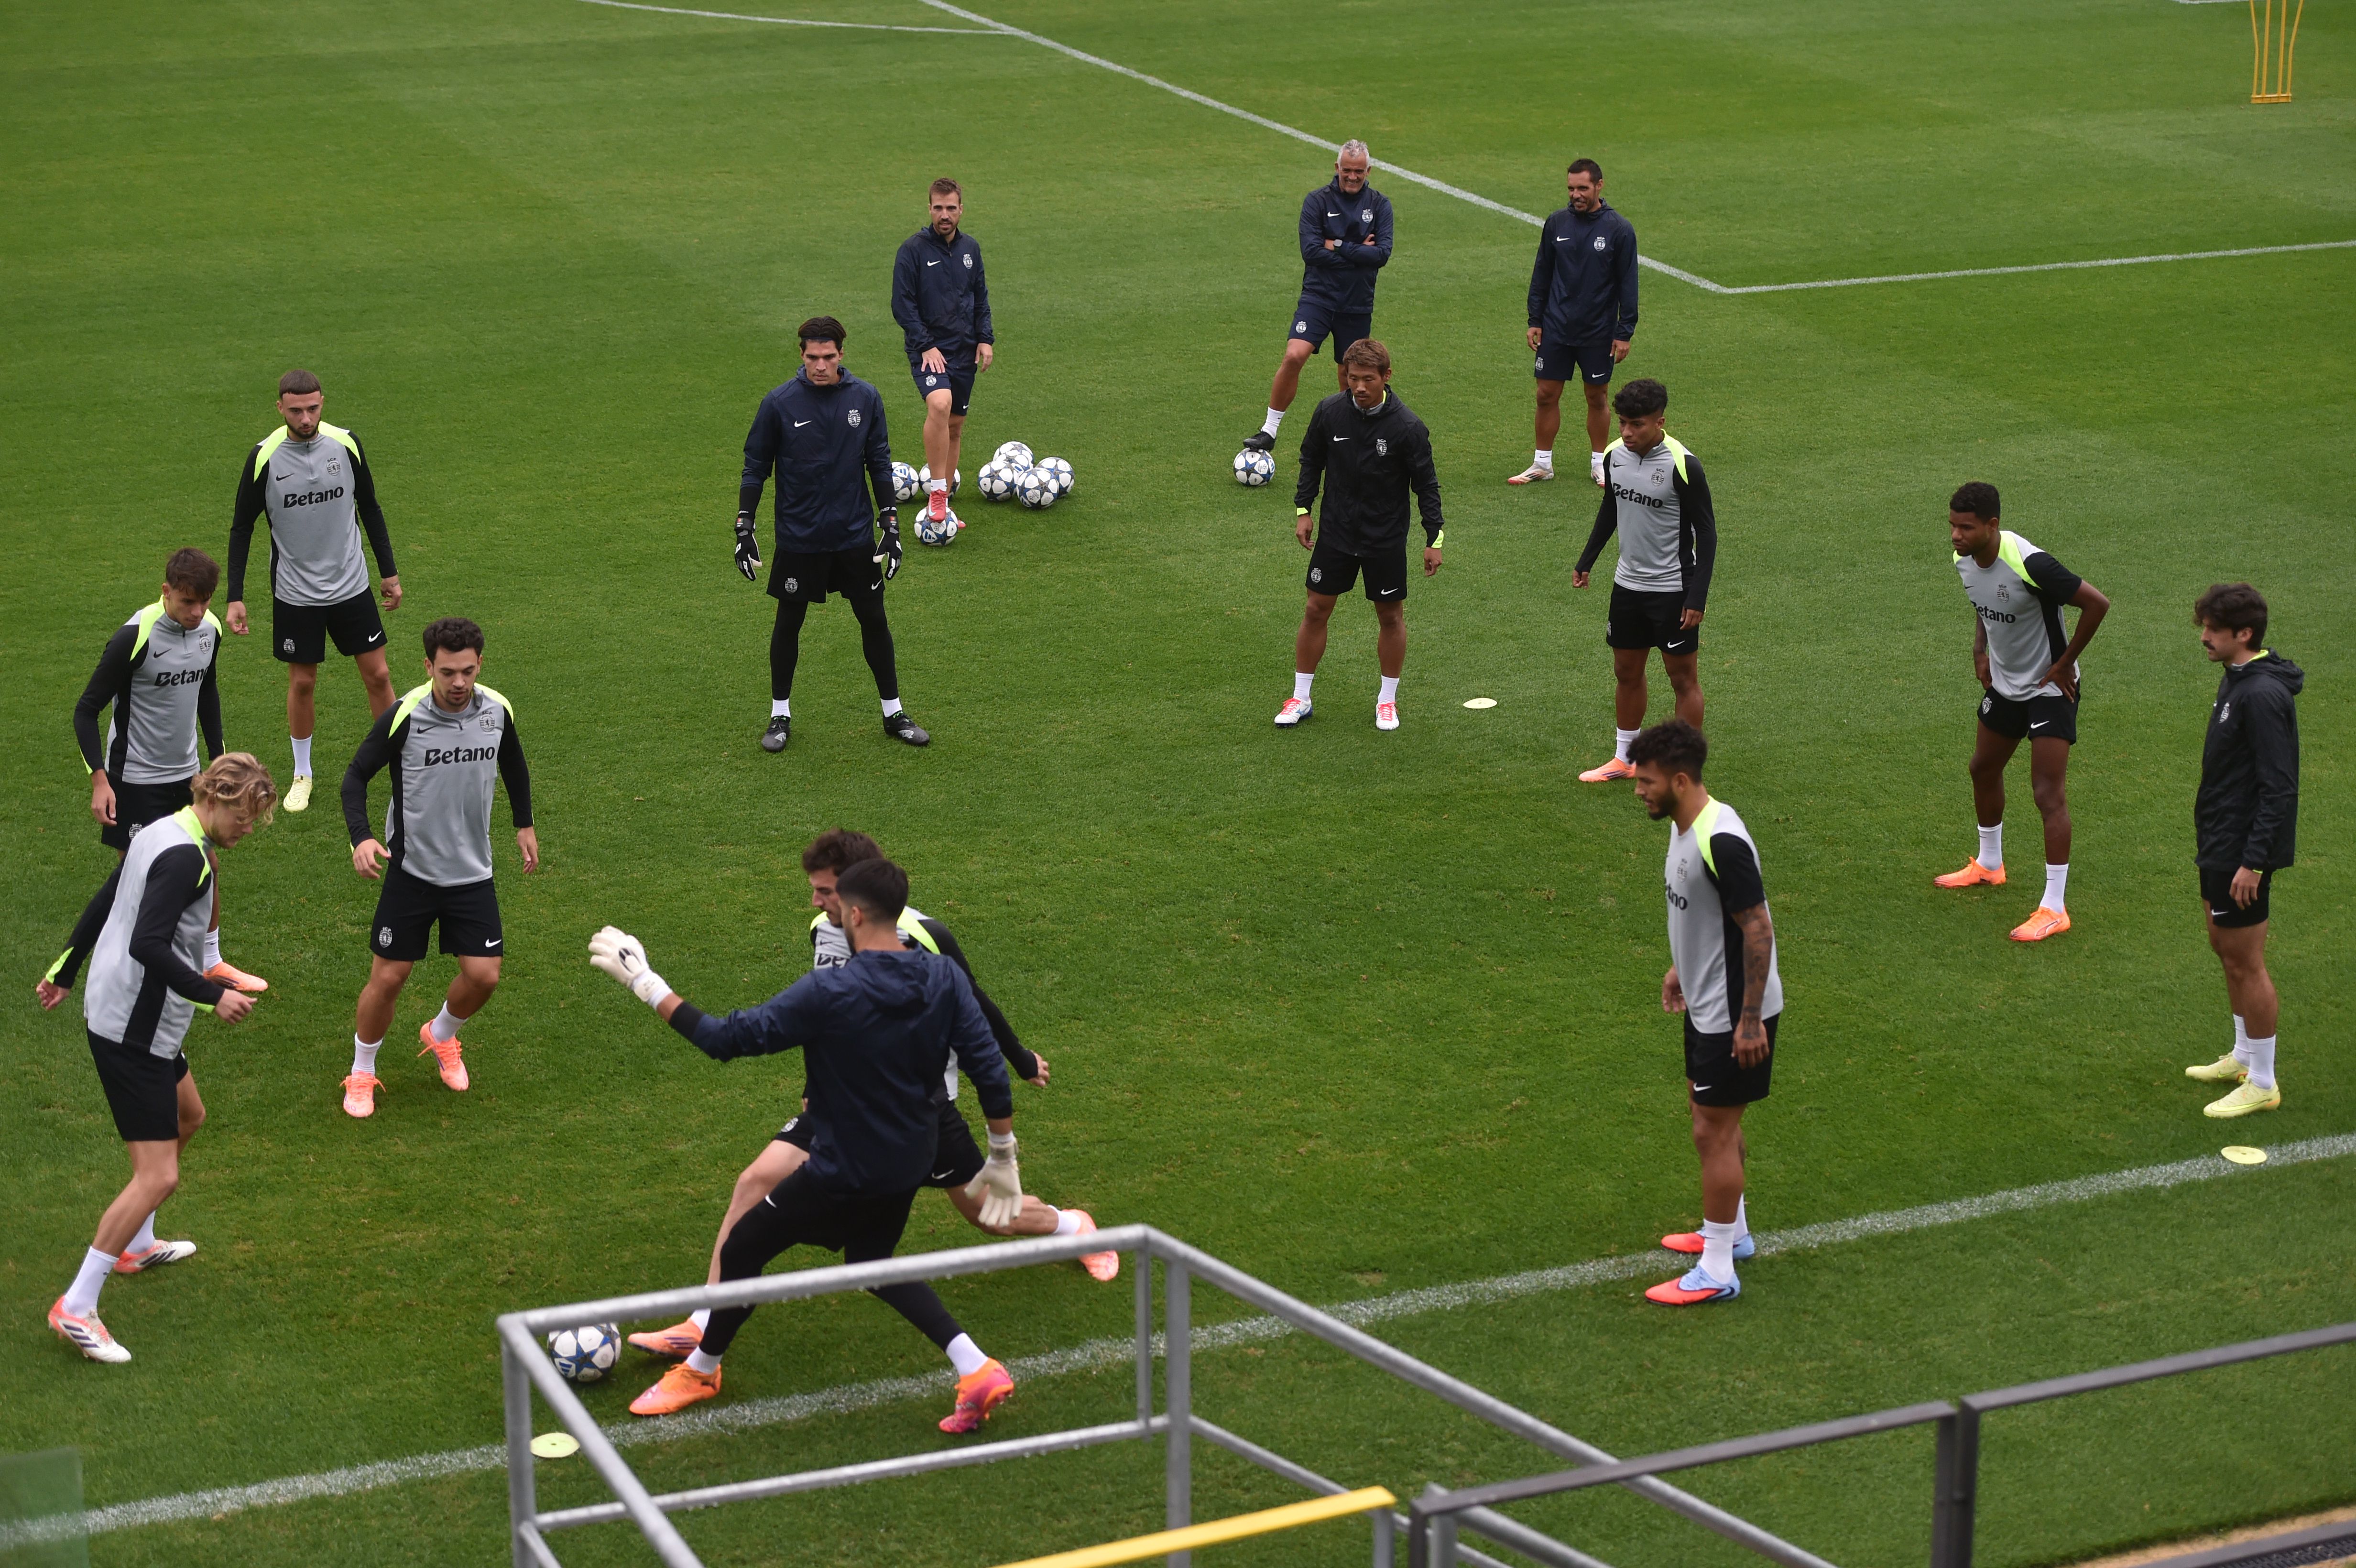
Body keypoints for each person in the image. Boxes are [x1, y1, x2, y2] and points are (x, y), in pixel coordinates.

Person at [627, 829, 1116, 1361]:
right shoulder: (825, 930)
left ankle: (1074, 1227)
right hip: (847, 1103)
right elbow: (830, 1015)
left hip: (923, 1106)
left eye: (824, 890)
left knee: (985, 1212)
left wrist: (1020, 1060)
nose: (815, 901)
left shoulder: (926, 937)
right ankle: (703, 1322)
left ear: (856, 898)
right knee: (756, 1180)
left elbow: (974, 1002)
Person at [590, 858, 1024, 1433]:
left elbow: (727, 1039)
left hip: (846, 1169)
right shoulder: (943, 978)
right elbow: (988, 1070)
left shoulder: (832, 991)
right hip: (912, 1157)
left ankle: (701, 1369)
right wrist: (1001, 1156)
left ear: (857, 912)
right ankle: (977, 1368)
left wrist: (646, 984)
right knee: (870, 1262)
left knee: (745, 1248)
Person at [44, 754, 277, 1363]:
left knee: (189, 1116)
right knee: (158, 1175)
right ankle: (76, 1304)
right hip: (133, 1028)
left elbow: (107, 896)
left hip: (128, 1013)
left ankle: (135, 1244)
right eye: (246, 816)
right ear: (220, 799)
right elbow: (150, 942)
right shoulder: (185, 857)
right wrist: (213, 994)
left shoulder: (159, 830)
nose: (248, 828)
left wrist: (65, 969)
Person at [44, 549, 264, 1004]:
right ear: (166, 592)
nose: (198, 612)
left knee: (209, 866)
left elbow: (208, 692)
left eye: (205, 602)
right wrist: (100, 782)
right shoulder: (135, 637)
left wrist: (219, 761)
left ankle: (210, 961)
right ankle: (77, 968)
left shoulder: (210, 631)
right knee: (133, 878)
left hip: (187, 777)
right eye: (187, 602)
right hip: (135, 779)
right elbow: (86, 711)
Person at [338, 617, 537, 1118]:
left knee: (485, 975)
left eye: (467, 671)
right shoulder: (406, 714)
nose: (458, 683)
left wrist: (524, 824)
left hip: (473, 871)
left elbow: (513, 762)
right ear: (428, 666)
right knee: (389, 978)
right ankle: (362, 1071)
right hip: (413, 870)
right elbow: (355, 777)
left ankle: (441, 1033)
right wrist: (362, 837)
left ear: (480, 665)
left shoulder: (497, 710)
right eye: (447, 672)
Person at [1625, 722, 1780, 1307]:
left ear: (1680, 780)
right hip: (1707, 1001)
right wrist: (1680, 968)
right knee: (1709, 1119)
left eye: (1646, 781)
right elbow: (1705, 917)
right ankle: (1731, 1235)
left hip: (1734, 1015)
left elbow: (1757, 929)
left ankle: (1717, 1269)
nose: (1638, 790)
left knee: (1710, 1131)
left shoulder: (1720, 839)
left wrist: (1748, 1021)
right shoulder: (1685, 824)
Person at [1931, 482, 2110, 943]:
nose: (1955, 536)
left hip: (2050, 690)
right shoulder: (1963, 560)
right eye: (1952, 525)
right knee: (1982, 767)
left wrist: (2064, 663)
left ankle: (2054, 907)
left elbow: (2096, 604)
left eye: (1965, 528)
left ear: (1992, 525)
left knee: (2047, 793)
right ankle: (1990, 864)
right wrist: (1979, 649)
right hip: (2006, 685)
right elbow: (1983, 604)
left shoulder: (2031, 563)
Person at [737, 316, 926, 752]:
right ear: (801, 355)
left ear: (842, 354)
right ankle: (779, 717)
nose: (819, 366)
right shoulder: (779, 403)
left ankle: (894, 713)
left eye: (827, 357)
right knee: (789, 622)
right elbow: (756, 467)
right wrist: (744, 525)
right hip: (800, 538)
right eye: (811, 358)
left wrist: (891, 524)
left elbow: (879, 462)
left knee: (874, 620)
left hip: (854, 535)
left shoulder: (865, 398)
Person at [225, 369, 402, 816]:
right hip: (296, 593)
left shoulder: (346, 445)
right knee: (303, 681)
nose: (306, 418)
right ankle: (302, 773)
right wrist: (235, 594)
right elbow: (242, 526)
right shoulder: (264, 458)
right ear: (280, 408)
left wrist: (390, 572)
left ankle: (401, 763)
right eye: (296, 410)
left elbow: (371, 508)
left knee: (379, 676)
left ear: (323, 403)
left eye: (314, 408)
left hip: (351, 585)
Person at [1274, 339, 1443, 732]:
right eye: (1353, 379)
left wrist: (1434, 539)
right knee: (1316, 609)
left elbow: (1427, 486)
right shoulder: (1330, 412)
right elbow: (1311, 459)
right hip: (1336, 533)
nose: (1360, 387)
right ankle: (1301, 696)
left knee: (1389, 616)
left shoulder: (1408, 427)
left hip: (1384, 538)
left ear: (1387, 376)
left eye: (1369, 379)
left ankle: (1387, 701)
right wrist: (1304, 510)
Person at [2182, 584, 2301, 1120]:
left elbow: (2279, 786)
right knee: (2224, 949)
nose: (2203, 637)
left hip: (2240, 851)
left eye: (2212, 629)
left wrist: (2253, 861)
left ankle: (2262, 1080)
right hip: (2219, 839)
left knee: (2246, 961)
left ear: (2243, 634)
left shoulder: (2260, 695)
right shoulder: (2238, 680)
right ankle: (2242, 1054)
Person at [1571, 380, 1715, 781]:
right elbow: (1611, 508)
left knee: (1683, 679)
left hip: (1672, 590)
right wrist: (1587, 560)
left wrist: (1697, 596)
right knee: (1626, 671)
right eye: (1622, 423)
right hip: (1628, 586)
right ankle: (1626, 759)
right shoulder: (1615, 455)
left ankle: (1681, 766)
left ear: (1660, 422)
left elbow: (1707, 533)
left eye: (1637, 424)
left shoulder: (1683, 465)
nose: (1627, 433)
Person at [1239, 142, 1393, 459]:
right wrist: (1356, 252)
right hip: (1319, 297)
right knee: (1295, 355)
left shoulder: (1379, 205)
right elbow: (1310, 252)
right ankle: (1269, 430)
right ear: (1337, 168)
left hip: (1357, 303)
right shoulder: (1317, 202)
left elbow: (1381, 255)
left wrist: (1335, 246)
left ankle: (1352, 439)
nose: (1352, 177)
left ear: (1369, 171)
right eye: (1347, 170)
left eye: (1358, 171)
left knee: (1349, 373)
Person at [1510, 159, 1638, 489]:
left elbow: (1628, 284)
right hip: (1556, 327)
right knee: (1545, 394)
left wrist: (1624, 332)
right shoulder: (1556, 223)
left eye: (1582, 188)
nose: (1576, 195)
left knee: (1597, 397)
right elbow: (1542, 274)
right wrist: (1535, 319)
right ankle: (1542, 463)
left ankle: (1600, 464)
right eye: (1571, 188)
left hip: (1598, 330)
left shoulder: (1619, 229)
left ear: (1599, 186)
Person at [891, 178, 993, 535]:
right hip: (929, 350)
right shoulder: (912, 251)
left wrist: (985, 340)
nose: (945, 215)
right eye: (938, 208)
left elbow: (980, 297)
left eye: (951, 208)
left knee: (955, 426)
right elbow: (901, 306)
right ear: (929, 208)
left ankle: (944, 502)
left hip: (964, 349)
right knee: (939, 404)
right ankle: (937, 495)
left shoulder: (971, 249)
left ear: (961, 209)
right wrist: (925, 345)